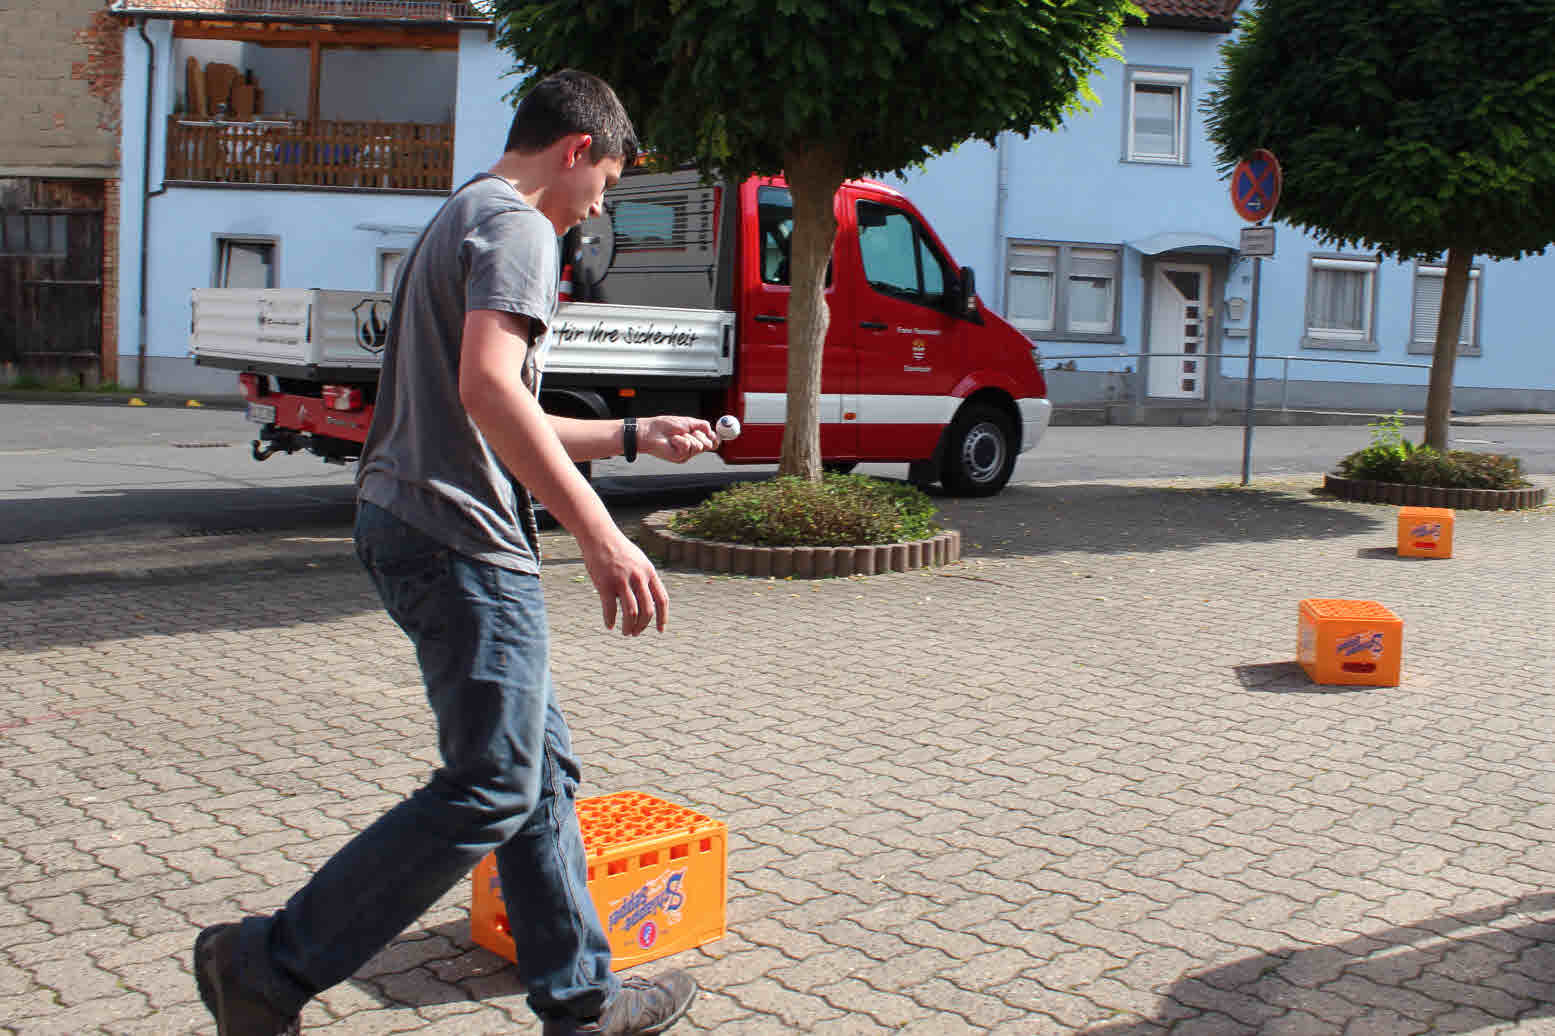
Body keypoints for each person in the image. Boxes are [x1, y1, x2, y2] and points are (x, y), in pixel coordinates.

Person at [194, 70, 716, 1036]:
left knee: (535, 775)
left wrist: (633, 438)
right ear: (576, 150)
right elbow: (489, 388)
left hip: (416, 520)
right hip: (460, 538)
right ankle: (267, 964)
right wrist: (601, 535)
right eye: (607, 181)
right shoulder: (521, 227)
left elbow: (497, 404)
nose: (601, 205)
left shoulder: (463, 214)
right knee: (493, 785)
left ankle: (582, 1000)